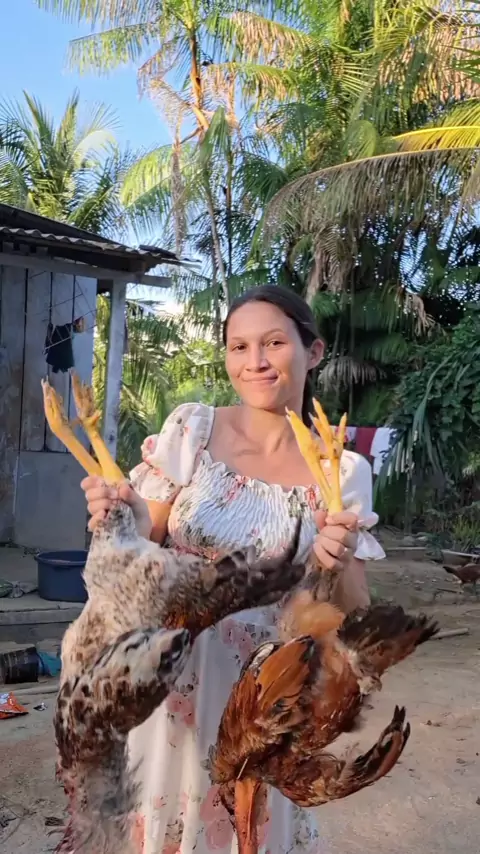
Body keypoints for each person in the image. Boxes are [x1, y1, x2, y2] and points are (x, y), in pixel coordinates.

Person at [81, 285, 385, 854]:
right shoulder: (192, 431)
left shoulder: (341, 469)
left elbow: (354, 611)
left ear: (313, 352)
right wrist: (120, 514)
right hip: (171, 677)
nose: (255, 362)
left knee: (247, 831)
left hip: (264, 697)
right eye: (239, 347)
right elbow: (147, 535)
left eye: (274, 343)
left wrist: (339, 556)